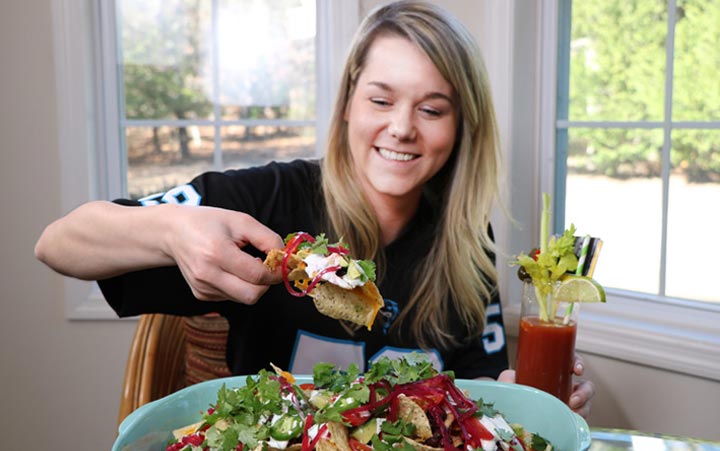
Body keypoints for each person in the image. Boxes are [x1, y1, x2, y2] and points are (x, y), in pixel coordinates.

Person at [35, 0, 594, 417]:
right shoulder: (268, 201)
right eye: (381, 99)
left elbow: (478, 383)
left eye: (432, 108)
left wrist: (523, 388)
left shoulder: (468, 238)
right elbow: (59, 242)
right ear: (348, 102)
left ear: (462, 125)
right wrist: (173, 230)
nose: (401, 127)